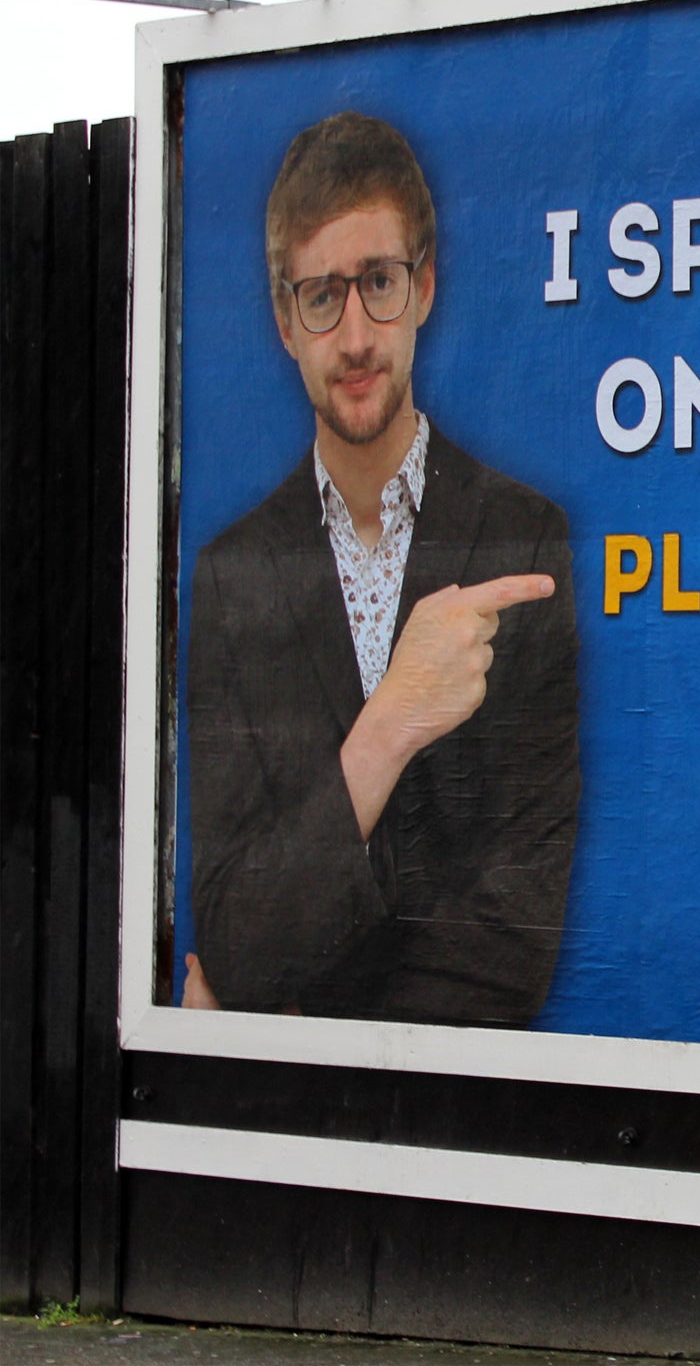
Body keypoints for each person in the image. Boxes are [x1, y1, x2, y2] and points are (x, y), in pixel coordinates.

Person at [184, 111, 580, 1027]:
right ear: (285, 321)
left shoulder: (523, 544)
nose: (356, 335)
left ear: (426, 286)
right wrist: (389, 727)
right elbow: (234, 933)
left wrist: (290, 1033)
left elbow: (513, 942)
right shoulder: (233, 575)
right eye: (323, 294)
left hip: (450, 1136)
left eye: (379, 283)